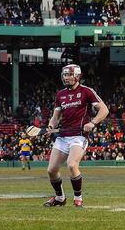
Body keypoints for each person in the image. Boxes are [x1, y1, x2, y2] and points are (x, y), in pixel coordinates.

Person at [43, 64, 109, 208]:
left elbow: (104, 110)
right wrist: (50, 126)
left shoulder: (87, 91)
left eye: (69, 75)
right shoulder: (60, 95)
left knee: (72, 165)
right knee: (51, 170)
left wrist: (92, 123)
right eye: (65, 75)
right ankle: (60, 198)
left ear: (77, 76)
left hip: (79, 136)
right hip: (63, 136)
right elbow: (55, 117)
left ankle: (78, 198)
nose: (66, 78)